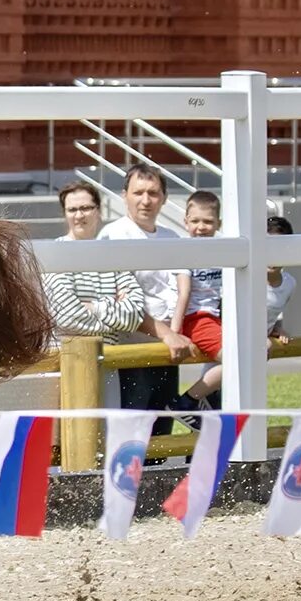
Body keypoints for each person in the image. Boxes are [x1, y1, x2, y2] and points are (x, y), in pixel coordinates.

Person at [98, 165, 193, 440]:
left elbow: (180, 288)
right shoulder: (112, 235)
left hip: (167, 349)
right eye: (138, 192)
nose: (146, 200)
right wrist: (169, 335)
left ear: (163, 198)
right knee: (132, 435)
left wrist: (173, 333)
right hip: (131, 350)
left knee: (161, 433)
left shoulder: (171, 237)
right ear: (124, 195)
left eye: (153, 193)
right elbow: (122, 304)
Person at [42, 182, 145, 339]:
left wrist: (93, 307)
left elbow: (135, 315)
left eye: (85, 208)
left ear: (99, 211)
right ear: (65, 214)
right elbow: (66, 318)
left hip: (108, 360)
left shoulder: (112, 257)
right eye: (72, 210)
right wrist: (112, 324)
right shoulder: (56, 254)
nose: (79, 215)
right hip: (68, 359)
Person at [172, 191, 226, 418]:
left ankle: (204, 400)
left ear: (218, 223)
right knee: (237, 359)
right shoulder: (186, 251)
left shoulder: (224, 251)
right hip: (197, 318)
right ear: (185, 222)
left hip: (215, 319)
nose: (201, 227)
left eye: (208, 222)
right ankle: (187, 402)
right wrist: (174, 332)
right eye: (195, 221)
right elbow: (184, 293)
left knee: (249, 355)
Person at [267, 215, 297, 343]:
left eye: (278, 249)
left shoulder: (289, 283)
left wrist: (276, 328)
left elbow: (269, 316)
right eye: (267, 248)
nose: (272, 255)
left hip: (259, 350)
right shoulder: (245, 279)